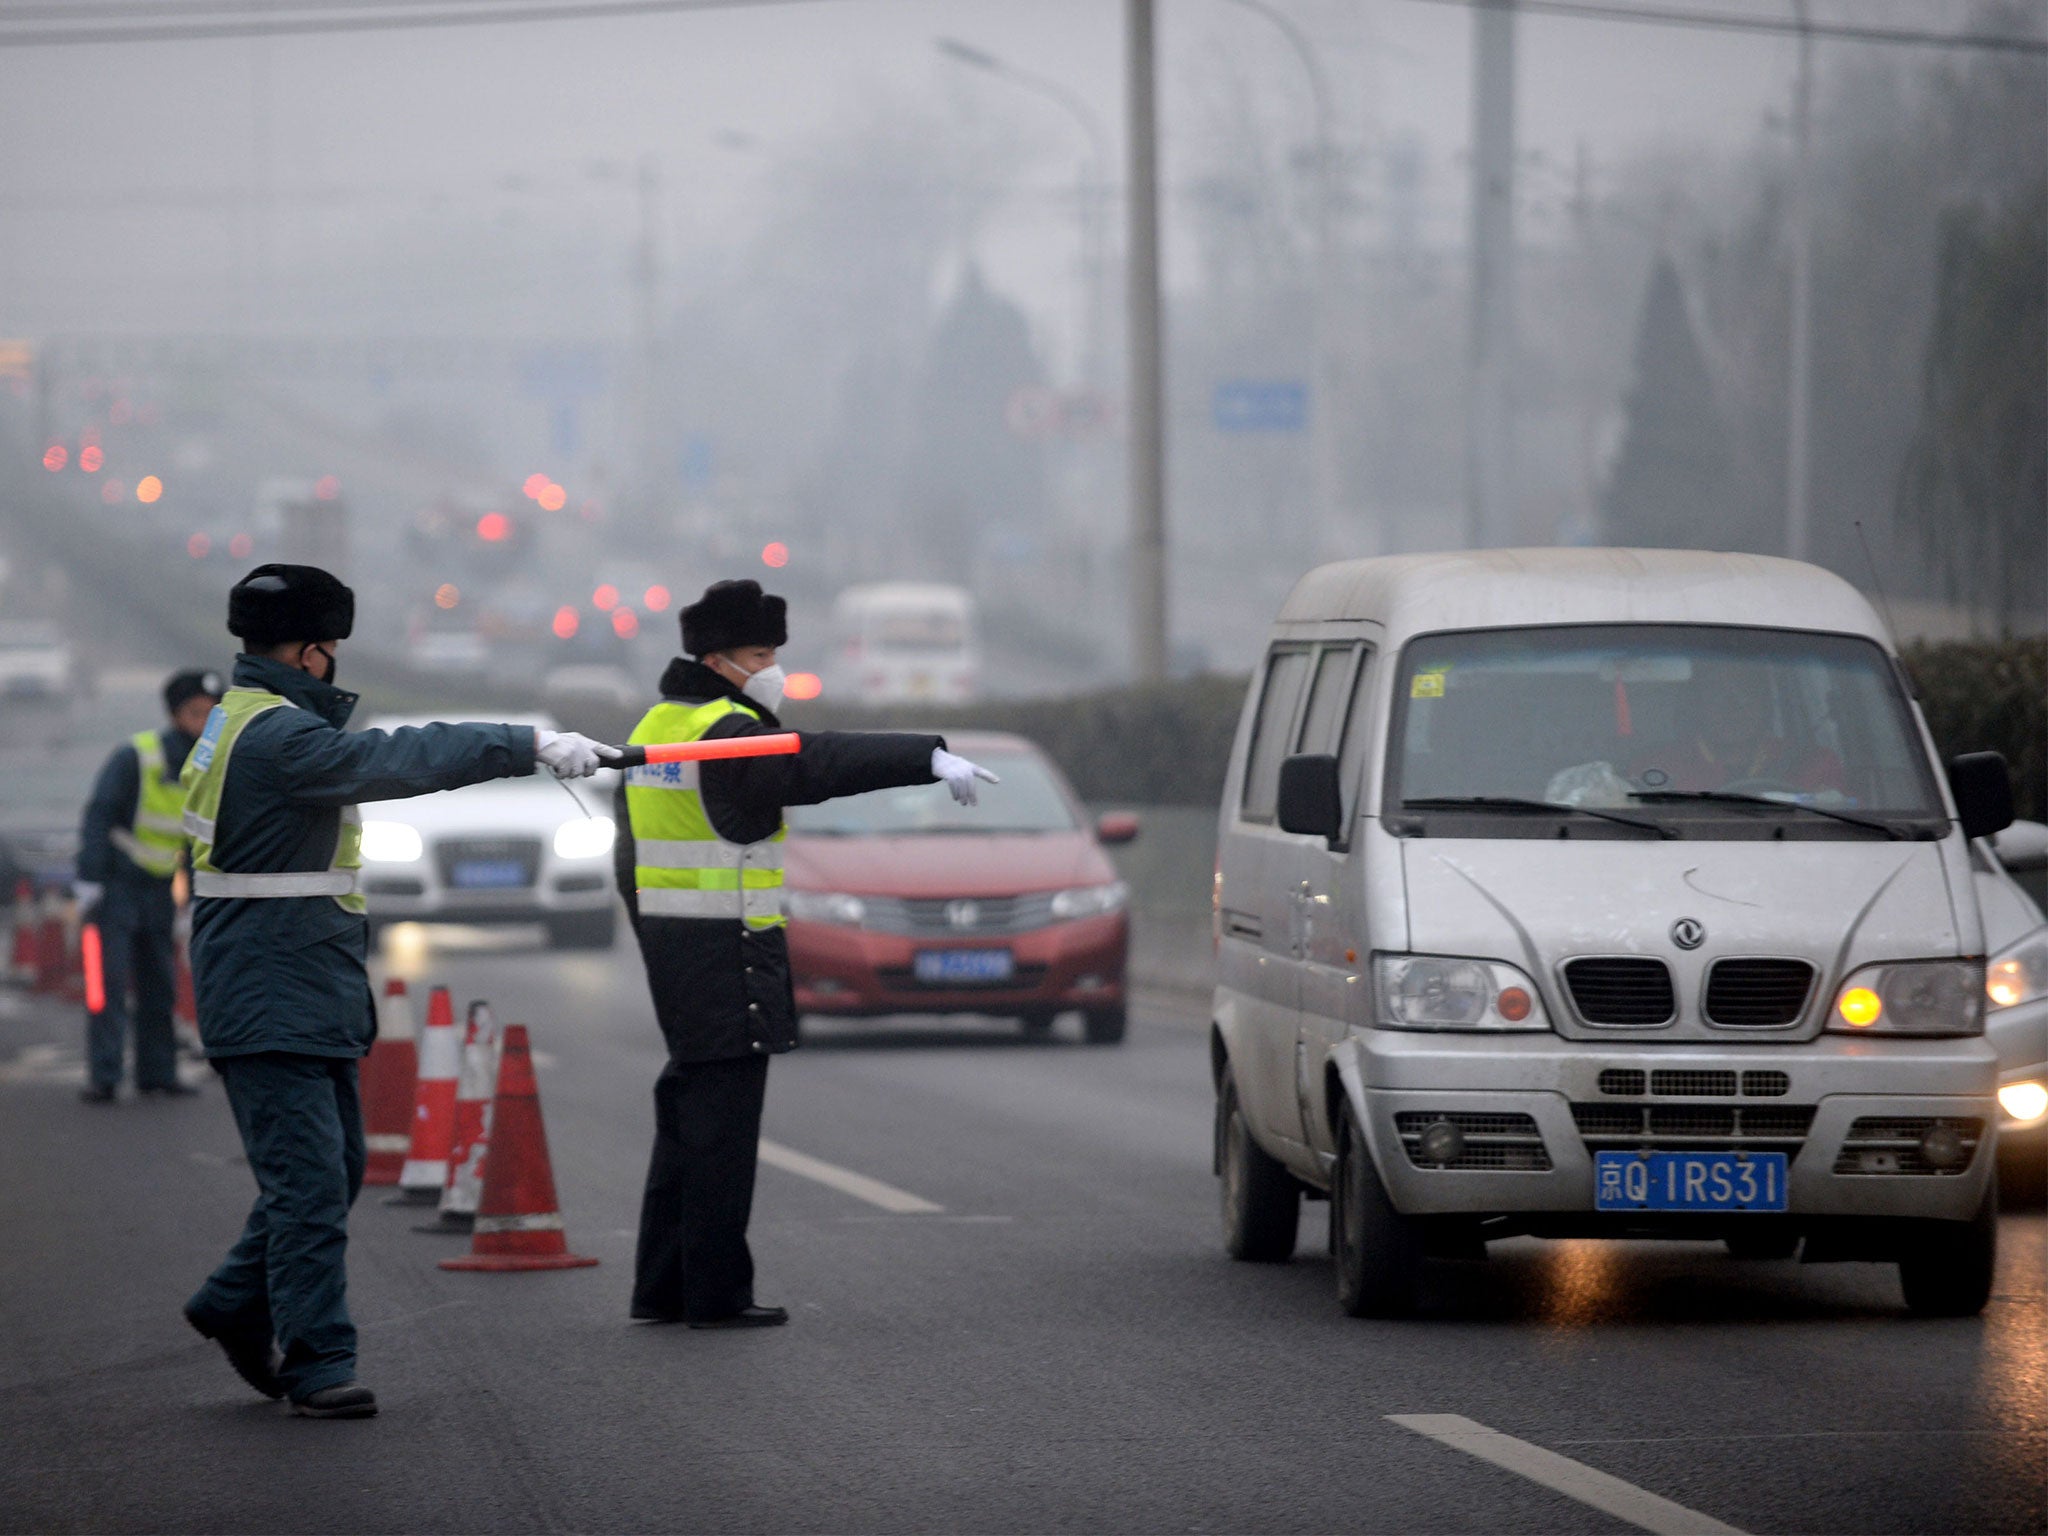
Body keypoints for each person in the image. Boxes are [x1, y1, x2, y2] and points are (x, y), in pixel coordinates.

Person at [178, 563, 610, 1419]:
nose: (333, 662)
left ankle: (232, 1302)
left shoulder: (244, 718)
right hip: (271, 987)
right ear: (310, 652)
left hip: (293, 979)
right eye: (330, 648)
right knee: (308, 1188)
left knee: (331, 1170)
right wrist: (522, 743)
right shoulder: (277, 737)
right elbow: (393, 758)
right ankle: (316, 1362)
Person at [616, 579, 997, 1328]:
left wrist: (654, 938)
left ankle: (665, 1288)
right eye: (761, 655)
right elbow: (812, 763)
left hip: (677, 946)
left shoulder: (662, 722)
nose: (772, 669)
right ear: (719, 659)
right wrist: (927, 756)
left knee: (688, 1119)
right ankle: (716, 1296)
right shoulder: (729, 731)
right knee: (720, 1131)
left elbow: (629, 856)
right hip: (726, 950)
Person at [74, 667, 223, 1103]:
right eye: (196, 712)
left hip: (159, 891)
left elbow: (199, 841)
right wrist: (88, 879)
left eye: (212, 715)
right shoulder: (138, 756)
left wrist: (198, 899)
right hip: (116, 887)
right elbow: (99, 815)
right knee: (110, 985)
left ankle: (157, 1073)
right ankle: (104, 1076)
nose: (203, 723)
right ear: (176, 714)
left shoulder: (208, 769)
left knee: (160, 987)